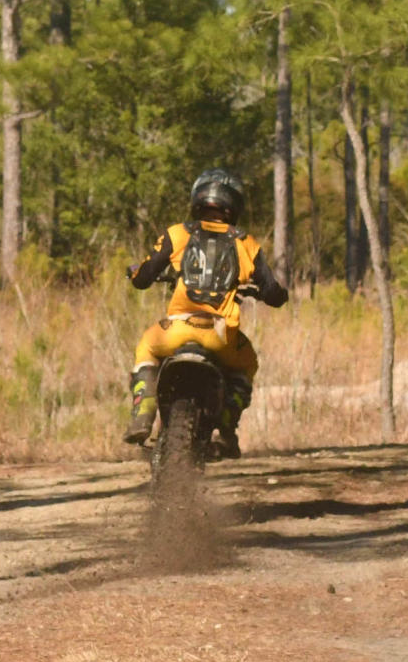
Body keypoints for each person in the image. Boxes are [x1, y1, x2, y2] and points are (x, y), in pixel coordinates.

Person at [124, 168, 289, 457]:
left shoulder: (177, 234)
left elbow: (142, 279)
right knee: (248, 362)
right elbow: (274, 294)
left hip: (174, 331)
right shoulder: (246, 243)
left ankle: (143, 413)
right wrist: (272, 293)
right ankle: (227, 428)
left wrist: (137, 272)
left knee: (146, 348)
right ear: (234, 206)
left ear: (197, 200)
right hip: (220, 337)